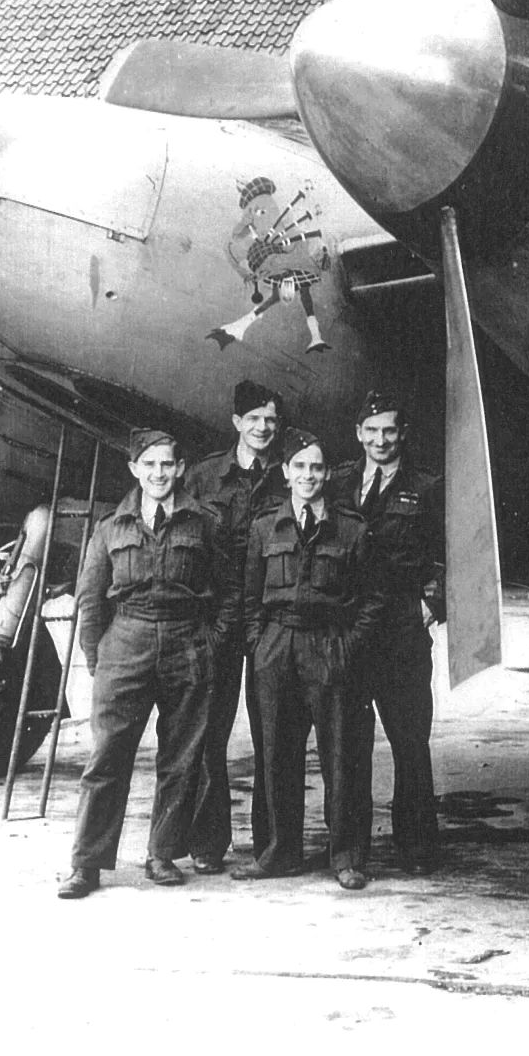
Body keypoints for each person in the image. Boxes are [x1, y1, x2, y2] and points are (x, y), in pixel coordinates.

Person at [57, 429, 235, 899]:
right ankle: (87, 863)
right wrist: (99, 657)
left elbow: (229, 592)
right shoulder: (111, 528)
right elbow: (91, 599)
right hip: (127, 641)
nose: (158, 473)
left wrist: (211, 642)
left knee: (180, 757)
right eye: (149, 465)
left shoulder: (204, 523)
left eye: (167, 465)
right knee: (107, 755)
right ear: (135, 469)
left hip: (186, 641)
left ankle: (162, 854)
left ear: (180, 469)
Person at [232, 428, 384, 889]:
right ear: (285, 472)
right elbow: (250, 596)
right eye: (299, 466)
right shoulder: (265, 527)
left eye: (316, 467)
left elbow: (372, 598)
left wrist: (348, 645)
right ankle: (279, 852)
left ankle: (347, 857)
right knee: (275, 753)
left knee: (343, 754)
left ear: (327, 474)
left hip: (330, 645)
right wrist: (260, 644)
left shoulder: (352, 529)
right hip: (278, 648)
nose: (308, 476)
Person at [332, 391, 445, 872]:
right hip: (354, 626)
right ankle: (351, 849)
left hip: (401, 626)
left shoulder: (427, 486)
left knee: (410, 741)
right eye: (371, 431)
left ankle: (416, 845)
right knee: (351, 744)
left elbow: (450, 550)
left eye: (390, 431)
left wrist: (431, 603)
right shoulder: (337, 482)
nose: (381, 440)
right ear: (359, 434)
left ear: (403, 435)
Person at [180, 380, 288, 874]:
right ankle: (207, 842)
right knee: (209, 733)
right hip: (219, 622)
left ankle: (273, 846)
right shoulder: (203, 478)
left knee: (274, 734)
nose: (263, 428)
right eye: (254, 419)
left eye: (270, 420)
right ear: (236, 423)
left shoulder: (291, 475)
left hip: (268, 622)